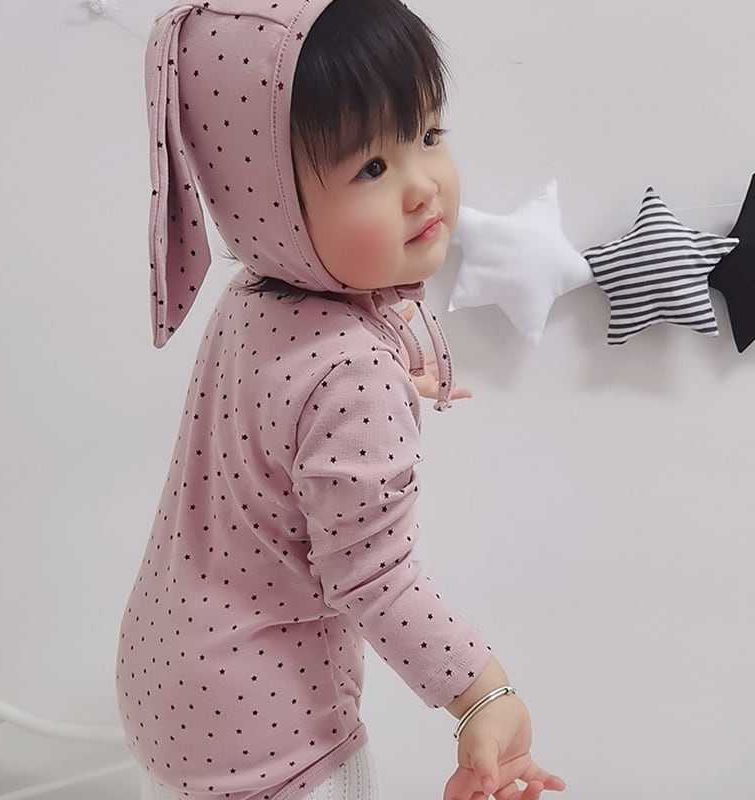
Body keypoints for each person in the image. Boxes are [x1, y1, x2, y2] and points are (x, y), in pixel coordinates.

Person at [115, 2, 566, 799]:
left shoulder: (254, 296)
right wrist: (484, 694)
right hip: (271, 731)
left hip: (171, 680)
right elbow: (374, 576)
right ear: (267, 198)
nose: (422, 186)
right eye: (371, 168)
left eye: (427, 133)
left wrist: (396, 373)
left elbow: (278, 415)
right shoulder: (352, 375)